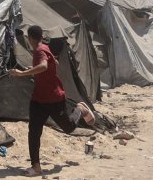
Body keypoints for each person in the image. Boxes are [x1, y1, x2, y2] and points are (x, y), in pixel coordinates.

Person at [10, 25, 96, 177]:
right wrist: (35, 68)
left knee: (68, 128)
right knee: (34, 132)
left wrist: (22, 73)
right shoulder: (44, 47)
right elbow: (52, 63)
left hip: (53, 98)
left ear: (30, 38)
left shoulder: (39, 50)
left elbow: (43, 66)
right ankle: (36, 167)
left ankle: (79, 110)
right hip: (38, 100)